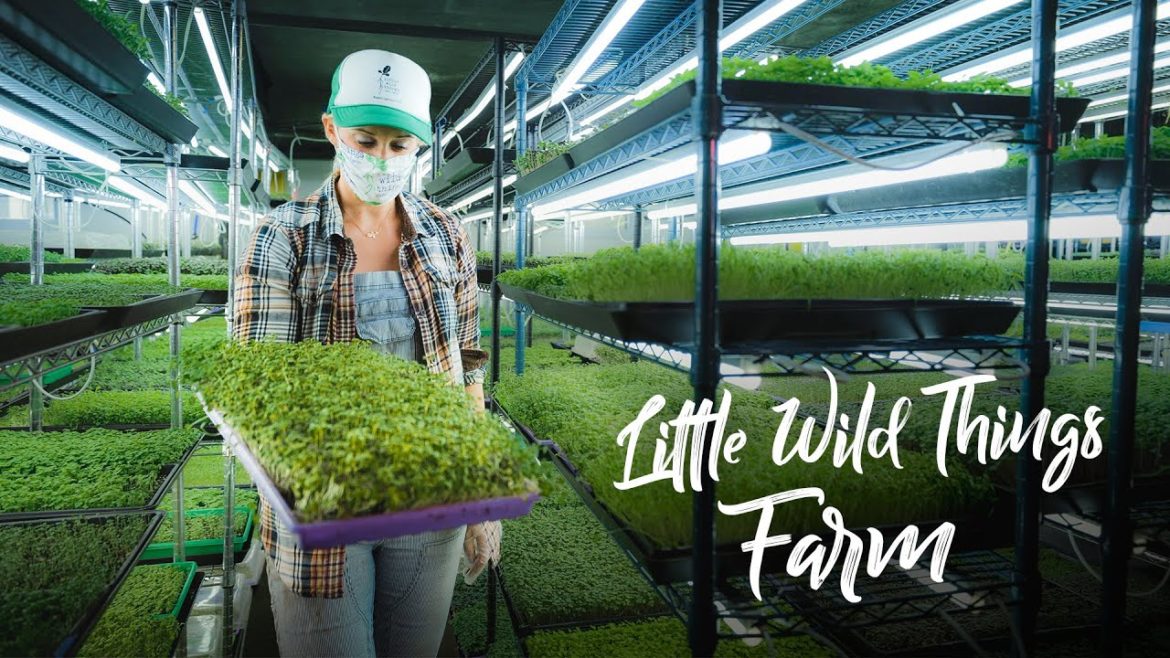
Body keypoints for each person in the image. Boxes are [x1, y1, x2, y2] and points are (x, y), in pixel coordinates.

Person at [232, 49, 497, 657]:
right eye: (365, 139)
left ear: (418, 149)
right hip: (325, 514)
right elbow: (261, 391)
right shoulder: (283, 238)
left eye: (399, 145)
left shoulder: (446, 236)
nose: (381, 158)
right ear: (332, 130)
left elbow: (466, 371)